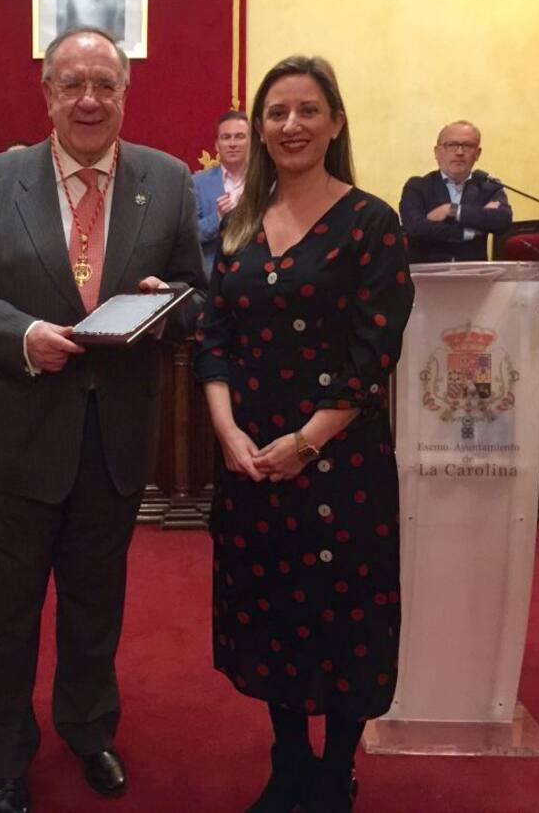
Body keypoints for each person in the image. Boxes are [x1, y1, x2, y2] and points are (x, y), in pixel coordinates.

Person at [0, 26, 207, 813]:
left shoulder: (168, 178)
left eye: (104, 85)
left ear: (125, 93)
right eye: (72, 84)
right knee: (11, 610)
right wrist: (21, 335)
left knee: (96, 603)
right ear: (47, 93)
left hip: (116, 433)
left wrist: (168, 304)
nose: (89, 100)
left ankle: (89, 730)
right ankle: (4, 752)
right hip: (26, 429)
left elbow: (195, 293)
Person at [193, 56, 414, 813]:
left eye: (308, 110)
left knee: (345, 617)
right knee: (271, 612)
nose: (291, 125)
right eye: (277, 112)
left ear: (335, 123)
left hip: (340, 465)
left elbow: (373, 355)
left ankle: (335, 771)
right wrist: (228, 432)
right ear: (259, 128)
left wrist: (307, 443)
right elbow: (213, 338)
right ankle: (289, 760)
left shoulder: (372, 222)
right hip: (252, 463)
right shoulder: (239, 225)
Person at [398, 120, 512, 263]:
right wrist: (470, 231)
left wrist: (452, 210)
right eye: (451, 145)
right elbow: (415, 228)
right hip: (427, 273)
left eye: (467, 146)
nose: (459, 152)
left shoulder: (488, 187)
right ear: (437, 152)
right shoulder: (417, 187)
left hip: (473, 273)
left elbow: (502, 220)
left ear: (477, 153)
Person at [194, 110, 251, 272]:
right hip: (213, 276)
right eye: (226, 137)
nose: (232, 144)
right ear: (217, 145)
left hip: (256, 275)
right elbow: (187, 237)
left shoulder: (267, 182)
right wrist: (218, 218)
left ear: (251, 142)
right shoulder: (197, 183)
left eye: (239, 136)